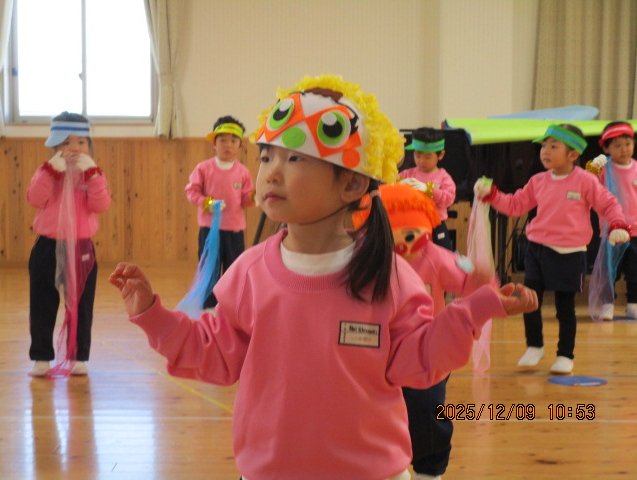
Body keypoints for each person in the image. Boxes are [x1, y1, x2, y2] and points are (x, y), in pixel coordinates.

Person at [110, 74, 537, 480]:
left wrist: (474, 309)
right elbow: (213, 353)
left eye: (295, 158)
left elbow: (420, 360)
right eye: (266, 156)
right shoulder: (250, 273)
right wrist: (153, 316)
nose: (271, 172)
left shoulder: (387, 274)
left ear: (351, 184)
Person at [353, 183, 497, 480]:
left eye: (411, 236)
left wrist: (481, 281)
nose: (403, 247)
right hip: (376, 354)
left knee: (427, 412)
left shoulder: (435, 257)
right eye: (393, 239)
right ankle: (387, 464)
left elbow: (467, 284)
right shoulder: (365, 257)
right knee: (375, 413)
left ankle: (430, 470)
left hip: (427, 352)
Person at [474, 123, 630, 375]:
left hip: (570, 254)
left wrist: (618, 224)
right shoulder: (538, 181)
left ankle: (565, 355)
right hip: (537, 250)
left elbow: (609, 204)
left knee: (565, 308)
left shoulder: (585, 180)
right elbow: (515, 205)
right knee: (529, 301)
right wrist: (492, 195)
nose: (545, 151)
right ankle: (534, 346)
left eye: (553, 146)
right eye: (544, 146)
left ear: (572, 155)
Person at [26, 112, 111, 377]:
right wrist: (50, 172)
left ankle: (78, 356)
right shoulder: (46, 172)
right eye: (66, 142)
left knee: (81, 305)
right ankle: (41, 357)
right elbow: (34, 199)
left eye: (81, 142)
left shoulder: (93, 175)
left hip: (81, 248)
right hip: (47, 247)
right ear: (55, 147)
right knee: (42, 304)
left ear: (89, 147)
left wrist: (94, 176)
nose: (73, 148)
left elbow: (101, 205)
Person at [185, 115, 255, 308]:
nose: (228, 145)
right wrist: (207, 202)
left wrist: (255, 197)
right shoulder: (203, 168)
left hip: (234, 231)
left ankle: (230, 307)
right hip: (210, 231)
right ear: (213, 144)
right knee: (210, 270)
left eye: (233, 141)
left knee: (234, 269)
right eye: (222, 140)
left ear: (240, 146)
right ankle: (208, 308)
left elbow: (245, 199)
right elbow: (192, 191)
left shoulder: (243, 172)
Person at [586, 122, 637, 320]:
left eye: (627, 144)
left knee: (634, 270)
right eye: (617, 145)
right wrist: (592, 168)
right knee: (609, 270)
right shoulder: (603, 169)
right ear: (606, 149)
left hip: (635, 231)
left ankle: (633, 305)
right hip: (611, 230)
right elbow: (588, 184)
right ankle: (607, 304)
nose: (624, 149)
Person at [399, 127, 456, 250]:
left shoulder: (443, 177)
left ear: (441, 155)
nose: (421, 161)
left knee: (443, 253)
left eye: (427, 157)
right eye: (417, 155)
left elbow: (449, 199)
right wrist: (399, 184)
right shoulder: (407, 174)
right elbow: (392, 189)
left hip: (436, 225)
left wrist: (428, 190)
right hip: (413, 224)